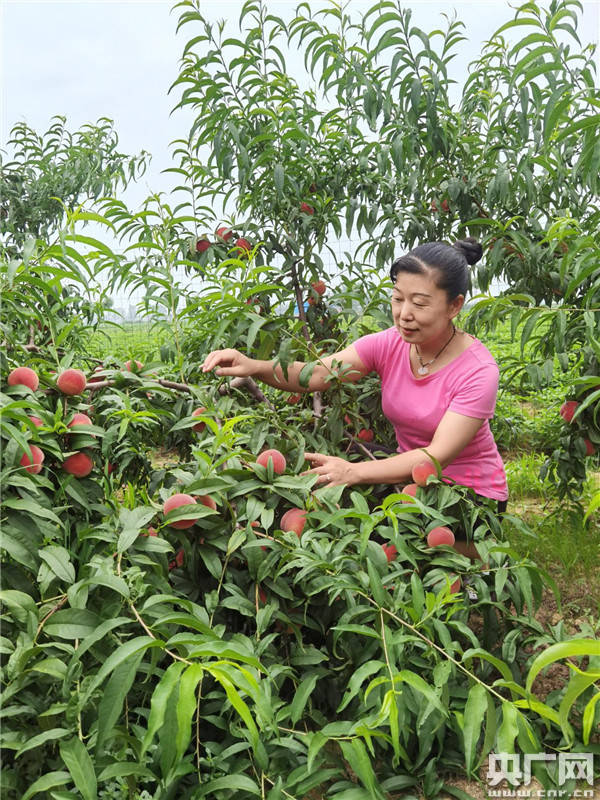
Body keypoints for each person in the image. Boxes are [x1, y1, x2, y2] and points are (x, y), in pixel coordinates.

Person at [202, 237, 508, 557]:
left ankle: (473, 558)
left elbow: (435, 457)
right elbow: (318, 374)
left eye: (419, 303)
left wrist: (353, 472)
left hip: (469, 498)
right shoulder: (390, 344)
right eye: (397, 299)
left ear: (454, 306)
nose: (404, 314)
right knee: (337, 516)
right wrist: (254, 366)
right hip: (411, 480)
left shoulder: (478, 370)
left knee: (383, 551)